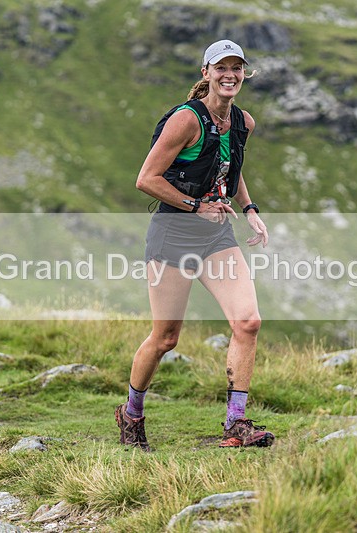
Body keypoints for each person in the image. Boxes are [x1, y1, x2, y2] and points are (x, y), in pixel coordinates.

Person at [115, 39, 273, 451]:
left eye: (237, 67)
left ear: (244, 74)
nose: (230, 74)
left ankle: (235, 425)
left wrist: (250, 207)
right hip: (173, 235)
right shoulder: (186, 121)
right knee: (166, 338)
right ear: (206, 73)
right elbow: (146, 178)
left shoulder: (243, 122)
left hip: (217, 236)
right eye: (221, 67)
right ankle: (131, 413)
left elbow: (229, 167)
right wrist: (195, 205)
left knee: (248, 322)